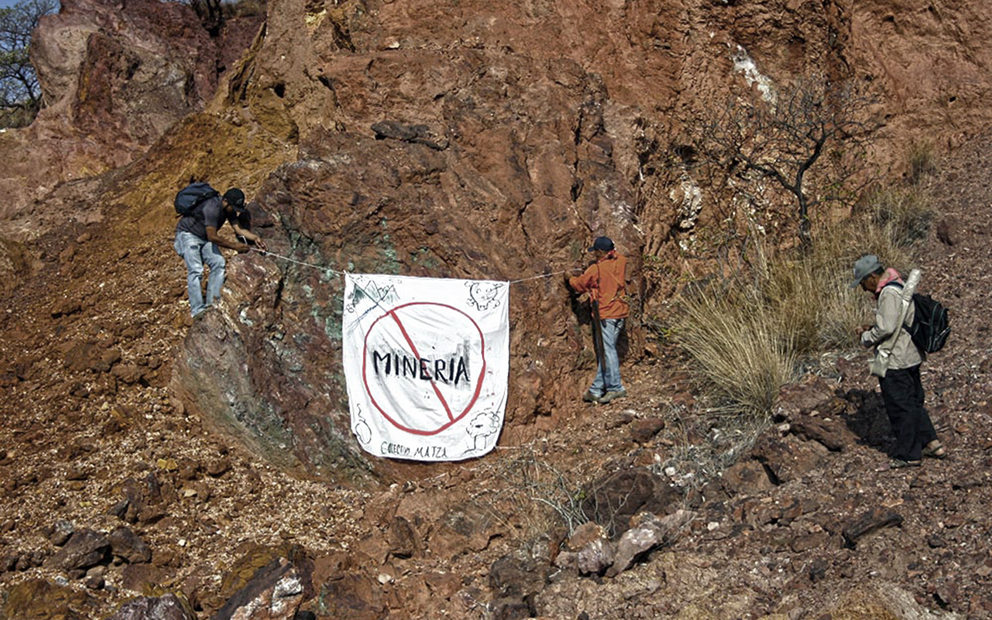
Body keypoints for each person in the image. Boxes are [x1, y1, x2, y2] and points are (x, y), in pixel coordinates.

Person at [851, 254, 945, 468]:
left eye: (863, 282)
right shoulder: (899, 285)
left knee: (900, 406)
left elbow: (886, 327)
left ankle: (909, 454)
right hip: (910, 354)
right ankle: (931, 443)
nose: (864, 288)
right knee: (914, 401)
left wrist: (866, 338)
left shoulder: (888, 293)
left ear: (872, 276)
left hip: (896, 359)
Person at [174, 186, 266, 319]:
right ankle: (197, 310)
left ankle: (213, 304)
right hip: (188, 235)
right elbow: (212, 237)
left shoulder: (229, 210)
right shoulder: (212, 207)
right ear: (226, 201)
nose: (234, 211)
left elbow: (239, 229)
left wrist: (255, 238)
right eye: (234, 208)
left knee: (219, 263)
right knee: (196, 270)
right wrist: (235, 246)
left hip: (203, 237)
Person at [566, 236, 629, 404]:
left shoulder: (596, 269)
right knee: (607, 351)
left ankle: (616, 388)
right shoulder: (621, 261)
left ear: (601, 252)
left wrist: (569, 277)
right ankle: (596, 389)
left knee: (608, 352)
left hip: (606, 315)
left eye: (596, 252)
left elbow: (579, 285)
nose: (594, 255)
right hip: (620, 312)